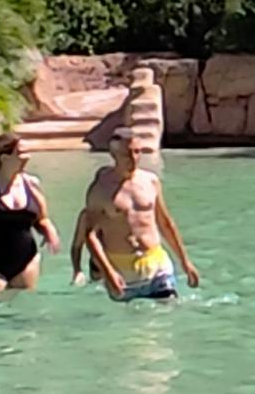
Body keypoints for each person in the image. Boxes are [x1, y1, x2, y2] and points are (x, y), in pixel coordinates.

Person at [72, 125, 200, 301]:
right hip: (123, 269)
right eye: (127, 154)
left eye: (137, 151)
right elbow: (90, 235)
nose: (133, 158)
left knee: (169, 310)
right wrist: (108, 273)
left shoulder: (150, 181)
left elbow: (165, 223)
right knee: (131, 317)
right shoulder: (101, 189)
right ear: (113, 155)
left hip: (157, 264)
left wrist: (185, 262)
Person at [0, 133, 59, 293]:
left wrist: (49, 231)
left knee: (24, 304)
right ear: (4, 157)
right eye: (20, 153)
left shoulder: (32, 184)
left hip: (26, 260)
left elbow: (42, 219)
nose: (27, 157)